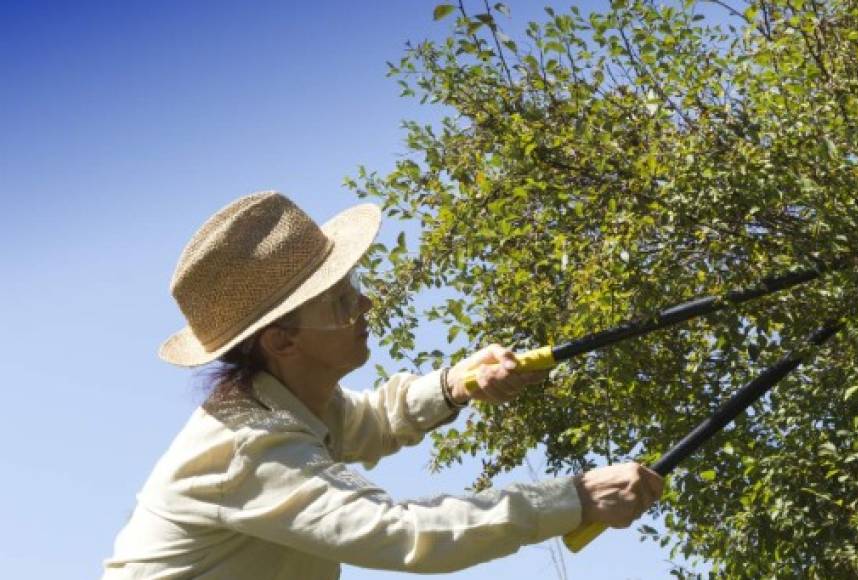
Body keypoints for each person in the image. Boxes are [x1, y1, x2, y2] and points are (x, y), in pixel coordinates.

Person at [102, 191, 664, 578]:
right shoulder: (251, 450)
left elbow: (362, 421)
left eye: (354, 287)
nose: (365, 304)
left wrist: (456, 384)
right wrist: (575, 498)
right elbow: (404, 534)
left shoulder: (291, 405)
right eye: (340, 302)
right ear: (282, 342)